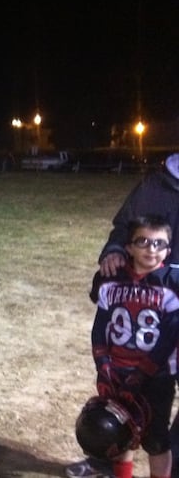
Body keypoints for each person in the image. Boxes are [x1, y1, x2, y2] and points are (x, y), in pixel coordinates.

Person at [66, 152, 179, 478]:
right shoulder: (156, 184)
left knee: (158, 433)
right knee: (124, 412)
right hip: (150, 304)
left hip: (165, 321)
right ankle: (106, 462)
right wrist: (115, 251)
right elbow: (125, 228)